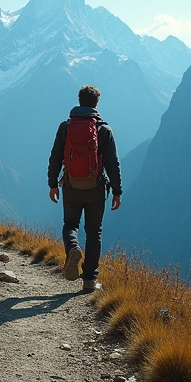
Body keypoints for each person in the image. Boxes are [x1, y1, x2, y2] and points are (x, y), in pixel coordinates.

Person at [47, 85, 122, 292]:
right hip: (96, 189)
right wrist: (117, 191)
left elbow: (55, 157)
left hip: (71, 186)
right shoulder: (104, 130)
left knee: (70, 224)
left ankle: (73, 248)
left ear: (79, 101)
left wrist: (53, 184)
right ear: (96, 104)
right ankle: (89, 280)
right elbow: (112, 164)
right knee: (94, 232)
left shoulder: (65, 127)